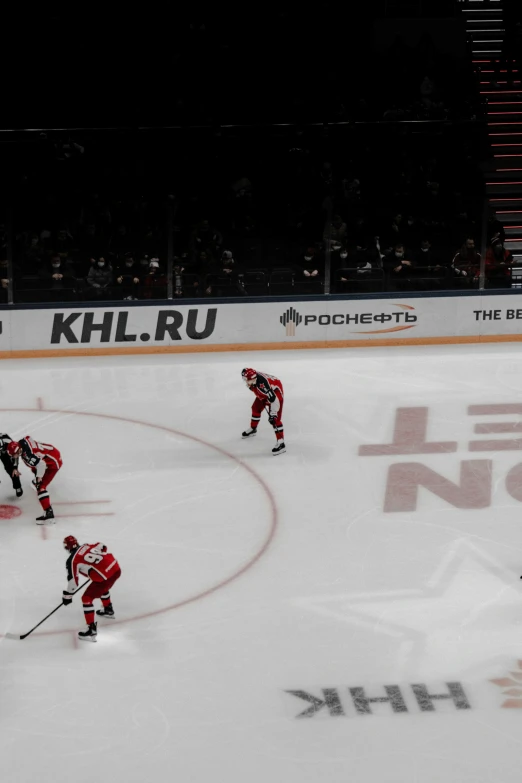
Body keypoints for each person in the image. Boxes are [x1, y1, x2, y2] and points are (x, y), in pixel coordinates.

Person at [62, 535, 122, 642]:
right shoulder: (86, 546)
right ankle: (108, 609)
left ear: (67, 548)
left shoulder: (72, 560)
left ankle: (91, 630)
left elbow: (73, 583)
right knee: (99, 583)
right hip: (116, 568)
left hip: (105, 578)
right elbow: (102, 546)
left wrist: (67, 596)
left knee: (87, 598)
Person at [7, 436, 62, 523]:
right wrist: (15, 467)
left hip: (52, 463)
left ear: (18, 450)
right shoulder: (21, 442)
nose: (14, 457)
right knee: (34, 468)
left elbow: (41, 465)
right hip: (51, 453)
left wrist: (39, 478)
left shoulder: (27, 455)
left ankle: (49, 514)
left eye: (14, 455)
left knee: (40, 487)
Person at [241, 368, 285, 455]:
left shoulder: (263, 386)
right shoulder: (254, 380)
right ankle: (253, 429)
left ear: (252, 379)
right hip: (266, 391)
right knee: (255, 408)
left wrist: (273, 414)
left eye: (247, 380)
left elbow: (274, 399)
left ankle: (281, 443)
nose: (245, 381)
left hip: (276, 393)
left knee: (275, 420)